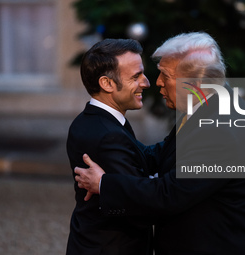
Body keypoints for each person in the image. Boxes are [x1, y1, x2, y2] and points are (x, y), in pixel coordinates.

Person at [75, 32, 245, 255]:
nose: (156, 82)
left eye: (165, 75)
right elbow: (166, 152)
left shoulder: (220, 127)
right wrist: (121, 149)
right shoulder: (207, 105)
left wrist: (104, 185)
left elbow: (169, 195)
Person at [66, 38, 153, 255]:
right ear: (107, 84)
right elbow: (137, 205)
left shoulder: (88, 120)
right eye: (136, 76)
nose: (146, 82)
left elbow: (142, 156)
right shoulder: (109, 135)